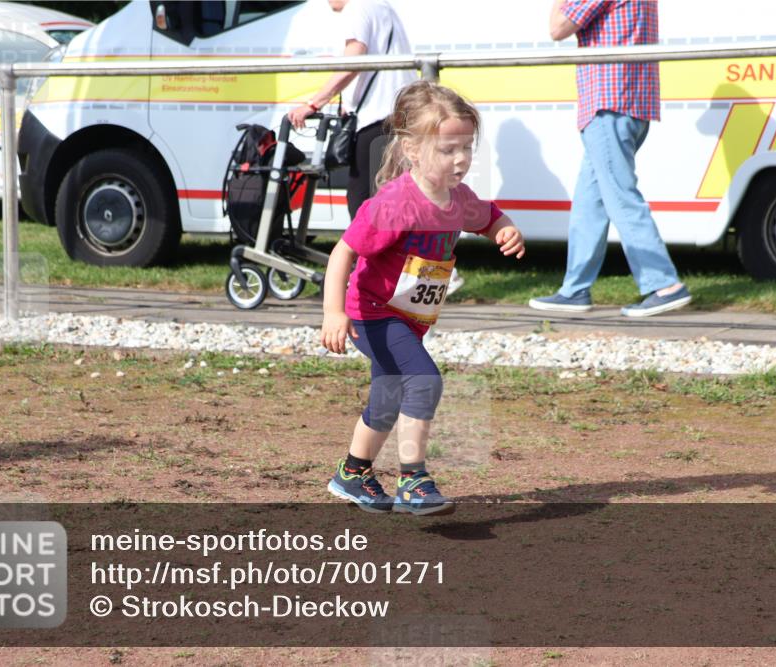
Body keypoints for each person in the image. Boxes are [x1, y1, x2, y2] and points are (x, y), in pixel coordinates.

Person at [320, 81, 525, 515]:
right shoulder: (395, 204)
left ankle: (353, 473)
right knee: (423, 380)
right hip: (372, 314)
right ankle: (413, 480)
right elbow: (343, 252)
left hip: (409, 319)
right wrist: (333, 312)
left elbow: (488, 216)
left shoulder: (458, 199)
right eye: (448, 149)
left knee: (388, 395)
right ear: (412, 149)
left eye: (467, 148)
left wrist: (504, 230)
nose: (461, 159)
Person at [529, 0, 692, 317]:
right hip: (630, 103)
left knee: (620, 196)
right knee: (589, 203)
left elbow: (558, 28)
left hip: (608, 103)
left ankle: (664, 284)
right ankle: (575, 289)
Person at [287, 0, 415, 220]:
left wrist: (313, 103)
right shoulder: (380, 6)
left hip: (379, 118)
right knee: (392, 198)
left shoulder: (358, 7)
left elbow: (352, 61)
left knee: (361, 201)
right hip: (402, 115)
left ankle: (368, 244)